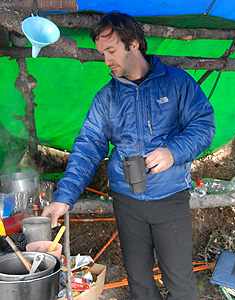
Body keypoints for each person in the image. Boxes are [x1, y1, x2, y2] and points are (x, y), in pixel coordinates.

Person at [42, 11, 215, 300]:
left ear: (133, 43)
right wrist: (63, 198)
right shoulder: (107, 97)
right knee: (139, 280)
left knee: (180, 281)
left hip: (170, 197)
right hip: (126, 201)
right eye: (102, 53)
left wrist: (173, 151)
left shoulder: (176, 83)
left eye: (111, 51)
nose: (106, 60)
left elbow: (204, 125)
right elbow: (88, 147)